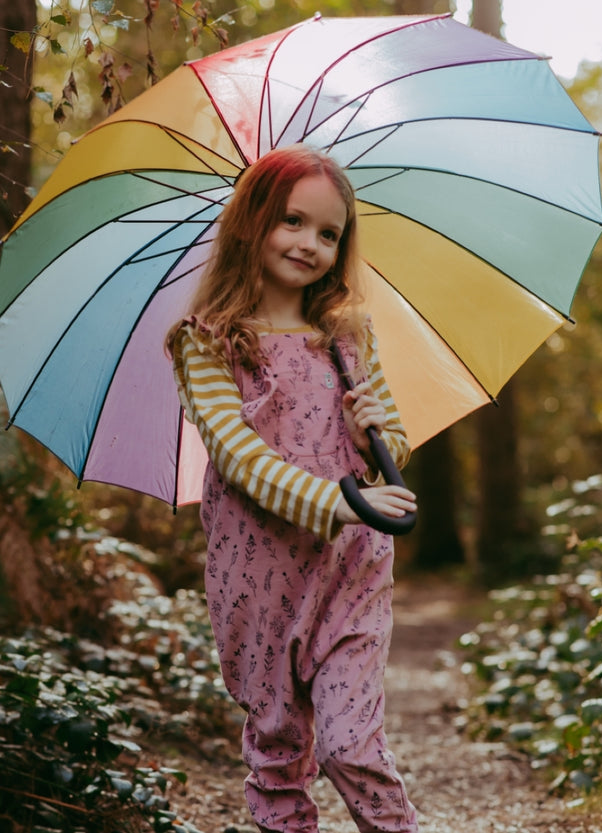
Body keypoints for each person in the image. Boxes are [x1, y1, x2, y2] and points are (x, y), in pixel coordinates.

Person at [167, 144, 419, 833]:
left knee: (351, 745)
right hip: (259, 579)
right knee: (279, 754)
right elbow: (239, 454)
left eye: (329, 233)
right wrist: (339, 500)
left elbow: (388, 448)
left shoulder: (346, 336)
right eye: (292, 221)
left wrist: (376, 434)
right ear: (252, 222)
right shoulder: (209, 341)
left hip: (350, 571)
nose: (310, 243)